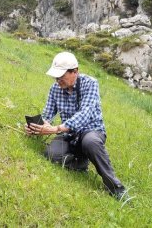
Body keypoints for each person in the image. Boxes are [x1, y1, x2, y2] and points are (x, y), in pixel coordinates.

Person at [25, 51, 127, 200]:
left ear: (75, 72)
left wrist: (56, 129)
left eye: (61, 76)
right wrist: (36, 127)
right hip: (68, 135)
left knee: (90, 142)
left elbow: (85, 114)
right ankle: (80, 164)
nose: (57, 80)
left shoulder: (90, 83)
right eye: (56, 76)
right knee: (51, 155)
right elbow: (48, 114)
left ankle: (116, 188)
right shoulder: (55, 89)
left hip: (91, 131)